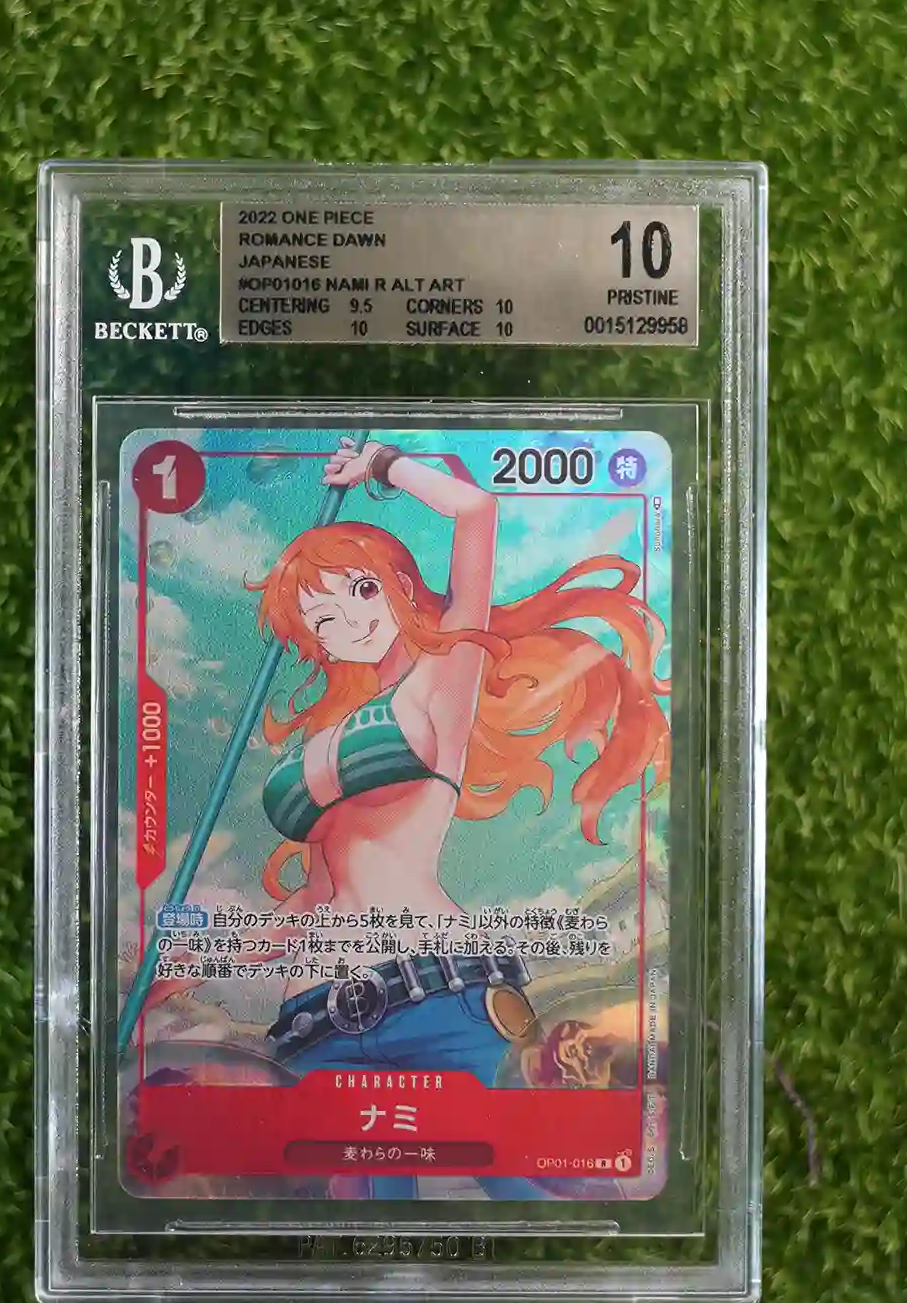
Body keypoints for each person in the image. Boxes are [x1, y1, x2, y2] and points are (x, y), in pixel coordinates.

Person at [248, 437, 669, 1202]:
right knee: (355, 1232)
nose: (347, 621)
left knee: (536, 1201)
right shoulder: (326, 734)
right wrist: (192, 963)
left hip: (436, 995)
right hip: (314, 1022)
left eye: (361, 590)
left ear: (401, 583)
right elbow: (321, 890)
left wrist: (381, 463)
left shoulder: (444, 675)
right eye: (321, 619)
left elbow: (476, 512)